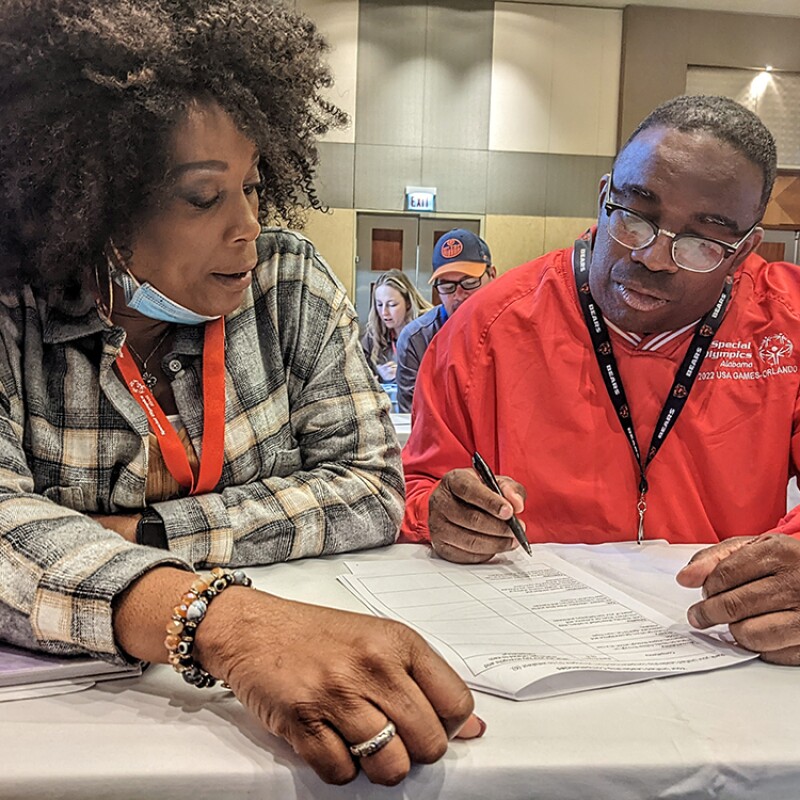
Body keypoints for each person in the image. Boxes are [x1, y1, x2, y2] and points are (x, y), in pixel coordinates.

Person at [0, 0, 481, 787]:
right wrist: (220, 620)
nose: (249, 226)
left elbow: (368, 488)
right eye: (203, 196)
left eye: (254, 187)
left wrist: (149, 534)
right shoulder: (13, 308)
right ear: (93, 203)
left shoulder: (288, 284)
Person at [401, 94, 800, 668]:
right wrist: (442, 515)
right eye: (635, 218)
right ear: (603, 197)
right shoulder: (486, 329)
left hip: (725, 643)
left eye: (702, 242)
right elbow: (420, 488)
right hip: (531, 642)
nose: (656, 258)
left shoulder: (785, 324)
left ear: (743, 253)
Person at [396, 229, 496, 412]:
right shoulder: (416, 341)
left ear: (492, 276)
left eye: (469, 282)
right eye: (447, 286)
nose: (459, 295)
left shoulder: (512, 333)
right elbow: (414, 419)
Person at [361, 269, 432, 384]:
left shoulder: (427, 330)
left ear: (408, 303)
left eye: (392, 305)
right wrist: (370, 379)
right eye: (379, 304)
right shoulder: (373, 334)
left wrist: (403, 376)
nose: (384, 312)